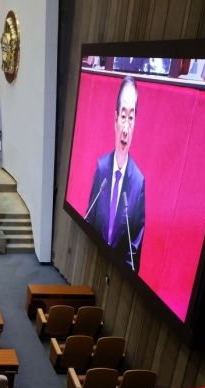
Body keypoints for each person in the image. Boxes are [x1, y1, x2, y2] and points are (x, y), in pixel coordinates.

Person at [85, 75, 145, 272]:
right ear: (115, 119)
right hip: (93, 261)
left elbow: (134, 249)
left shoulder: (138, 183)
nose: (126, 129)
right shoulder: (102, 168)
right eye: (123, 116)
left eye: (131, 117)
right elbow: (89, 220)